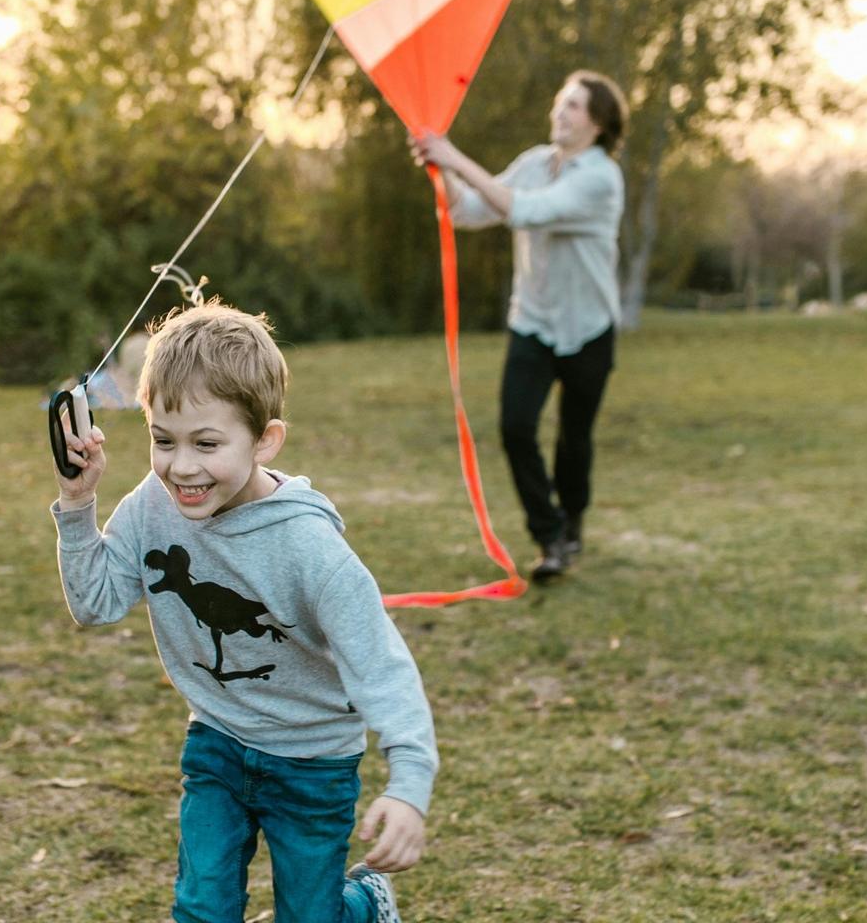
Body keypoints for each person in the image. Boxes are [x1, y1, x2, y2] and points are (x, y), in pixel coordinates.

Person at [50, 301, 436, 923]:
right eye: (163, 440)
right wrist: (77, 502)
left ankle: (364, 902)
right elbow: (95, 604)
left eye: (206, 443)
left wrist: (410, 785)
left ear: (264, 441)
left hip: (314, 763)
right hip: (218, 743)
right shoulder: (153, 505)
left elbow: (381, 665)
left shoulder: (312, 550)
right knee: (201, 908)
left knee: (311, 917)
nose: (182, 466)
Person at [409, 71, 628, 583]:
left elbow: (525, 211)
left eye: (573, 105)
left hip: (590, 327)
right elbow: (470, 211)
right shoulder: (533, 163)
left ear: (597, 123)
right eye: (560, 101)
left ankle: (572, 519)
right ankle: (550, 537)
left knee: (574, 438)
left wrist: (453, 155)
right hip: (532, 321)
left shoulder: (600, 178)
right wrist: (440, 170)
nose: (560, 112)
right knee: (515, 427)